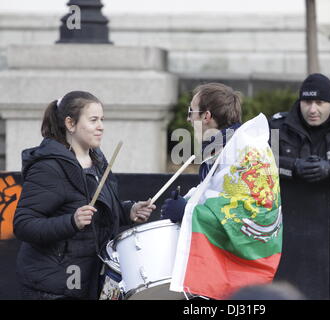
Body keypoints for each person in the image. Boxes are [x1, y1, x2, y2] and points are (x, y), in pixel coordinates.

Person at [13, 91, 156, 300]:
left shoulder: (96, 159)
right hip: (52, 289)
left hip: (88, 281)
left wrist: (128, 211)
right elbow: (23, 224)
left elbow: (98, 213)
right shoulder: (49, 167)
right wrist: (71, 221)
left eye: (102, 120)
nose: (101, 126)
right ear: (70, 124)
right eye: (93, 120)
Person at [160, 82, 242, 223]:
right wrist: (189, 200)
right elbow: (215, 194)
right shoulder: (225, 147)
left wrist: (186, 211)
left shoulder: (237, 153)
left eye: (191, 112)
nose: (188, 119)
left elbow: (236, 214)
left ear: (206, 117)